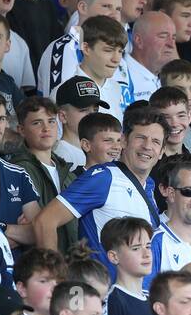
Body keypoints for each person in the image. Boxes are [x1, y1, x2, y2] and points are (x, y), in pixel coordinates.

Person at [30, 105, 166, 261]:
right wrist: (53, 276)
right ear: (124, 141)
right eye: (140, 138)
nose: (147, 146)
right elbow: (45, 221)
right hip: (102, 284)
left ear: (162, 152)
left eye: (155, 141)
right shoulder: (103, 177)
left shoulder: (149, 185)